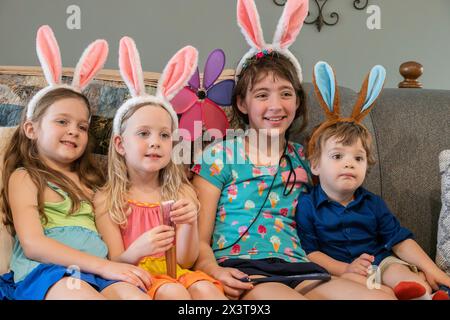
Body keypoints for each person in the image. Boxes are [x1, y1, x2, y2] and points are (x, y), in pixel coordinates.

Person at [191, 0, 393, 300]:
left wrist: (343, 267)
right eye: (262, 95)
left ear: (297, 102)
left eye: (286, 94)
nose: (276, 105)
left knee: (382, 297)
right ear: (242, 104)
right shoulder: (219, 158)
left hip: (302, 268)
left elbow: (329, 213)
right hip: (247, 269)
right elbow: (199, 239)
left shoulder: (306, 157)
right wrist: (213, 270)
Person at [0, 25, 151, 300]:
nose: (74, 131)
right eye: (62, 121)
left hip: (99, 274)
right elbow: (33, 244)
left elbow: (114, 247)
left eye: (82, 127)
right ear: (31, 129)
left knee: (136, 296)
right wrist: (105, 266)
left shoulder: (93, 184)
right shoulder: (25, 177)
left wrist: (116, 265)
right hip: (46, 272)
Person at [296, 60, 450, 300]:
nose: (349, 163)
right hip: (343, 271)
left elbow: (399, 240)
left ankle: (423, 295)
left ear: (367, 166)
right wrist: (344, 268)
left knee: (398, 271)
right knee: (354, 284)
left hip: (380, 260)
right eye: (337, 156)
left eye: (358, 158)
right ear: (315, 165)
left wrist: (432, 269)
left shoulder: (373, 204)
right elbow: (311, 253)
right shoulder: (307, 205)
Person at [94, 37, 226, 300]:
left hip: (178, 273)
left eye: (164, 136)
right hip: (136, 277)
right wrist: (140, 248)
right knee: (173, 292)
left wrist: (188, 223)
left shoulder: (182, 193)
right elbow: (116, 261)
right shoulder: (107, 198)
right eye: (144, 133)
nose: (155, 142)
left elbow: (186, 261)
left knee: (206, 289)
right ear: (120, 144)